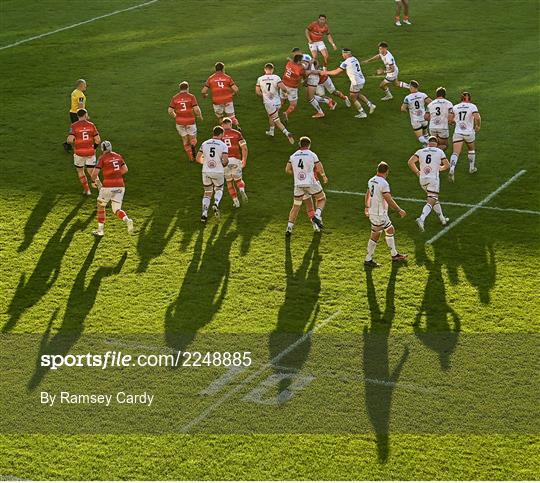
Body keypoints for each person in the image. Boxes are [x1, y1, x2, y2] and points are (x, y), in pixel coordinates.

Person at [364, 162, 407, 267]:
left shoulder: (371, 180)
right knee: (375, 235)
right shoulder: (383, 183)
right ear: (387, 171)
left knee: (390, 229)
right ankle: (368, 259)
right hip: (378, 214)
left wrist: (366, 207)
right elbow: (388, 199)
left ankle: (394, 255)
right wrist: (399, 210)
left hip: (377, 212)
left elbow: (367, 194)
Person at [285, 136, 328, 236]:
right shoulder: (312, 154)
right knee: (322, 198)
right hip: (311, 183)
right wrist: (324, 176)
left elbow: (287, 170)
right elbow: (319, 166)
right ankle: (316, 216)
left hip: (298, 185)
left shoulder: (293, 156)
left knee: (296, 206)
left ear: (300, 145)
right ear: (309, 145)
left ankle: (289, 228)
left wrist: (297, 174)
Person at [90, 141, 134, 237]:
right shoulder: (118, 156)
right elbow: (125, 169)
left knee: (101, 206)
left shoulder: (102, 158)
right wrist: (116, 175)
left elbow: (94, 174)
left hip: (108, 187)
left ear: (102, 149)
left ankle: (100, 231)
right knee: (116, 209)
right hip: (120, 186)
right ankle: (127, 220)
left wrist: (94, 182)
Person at [407, 136, 450, 231]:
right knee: (432, 199)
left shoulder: (420, 151)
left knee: (434, 199)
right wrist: (440, 168)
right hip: (433, 179)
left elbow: (410, 162)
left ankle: (442, 219)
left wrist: (417, 172)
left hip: (422, 179)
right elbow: (447, 165)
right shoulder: (439, 151)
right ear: (437, 144)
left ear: (428, 143)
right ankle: (421, 219)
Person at [326, 48, 375, 118]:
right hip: (361, 80)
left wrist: (325, 72)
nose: (342, 55)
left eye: (343, 53)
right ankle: (371, 105)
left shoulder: (345, 63)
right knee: (357, 94)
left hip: (356, 82)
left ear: (346, 54)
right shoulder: (354, 58)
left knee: (353, 97)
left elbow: (336, 72)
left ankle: (362, 113)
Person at [196, 126, 229, 222]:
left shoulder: (205, 143)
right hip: (218, 171)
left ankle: (204, 214)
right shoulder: (223, 145)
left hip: (206, 171)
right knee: (219, 188)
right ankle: (216, 203)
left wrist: (206, 163)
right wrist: (224, 164)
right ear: (221, 134)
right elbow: (225, 160)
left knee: (207, 192)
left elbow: (198, 158)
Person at [255, 63, 295, 143]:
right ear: (272, 69)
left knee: (276, 120)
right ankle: (271, 131)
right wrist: (286, 93)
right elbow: (283, 88)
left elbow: (257, 92)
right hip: (277, 102)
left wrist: (264, 95)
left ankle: (287, 133)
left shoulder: (260, 79)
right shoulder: (276, 77)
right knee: (271, 116)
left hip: (268, 103)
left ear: (265, 69)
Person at [66, 108, 101, 195]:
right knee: (92, 172)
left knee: (80, 171)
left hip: (79, 153)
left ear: (77, 116)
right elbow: (98, 140)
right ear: (85, 115)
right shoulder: (91, 125)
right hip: (90, 153)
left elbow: (69, 140)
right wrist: (94, 148)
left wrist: (74, 144)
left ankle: (87, 190)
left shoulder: (73, 126)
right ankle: (101, 190)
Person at [449, 92, 481, 181]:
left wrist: (453, 122)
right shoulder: (472, 106)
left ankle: (452, 168)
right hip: (468, 133)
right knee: (471, 149)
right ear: (469, 99)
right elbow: (477, 117)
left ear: (461, 99)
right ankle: (471, 168)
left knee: (455, 153)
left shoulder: (455, 107)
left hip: (458, 132)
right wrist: (478, 126)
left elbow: (450, 120)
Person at [168, 81, 203, 161]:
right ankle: (193, 146)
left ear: (180, 89)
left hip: (179, 122)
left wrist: (176, 116)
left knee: (185, 139)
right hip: (190, 121)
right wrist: (199, 115)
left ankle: (190, 156)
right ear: (187, 88)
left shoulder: (175, 98)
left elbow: (170, 110)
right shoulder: (191, 96)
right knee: (193, 138)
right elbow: (196, 109)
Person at [201, 62, 240, 128]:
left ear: (215, 69)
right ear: (223, 69)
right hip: (228, 100)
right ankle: (237, 128)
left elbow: (203, 91)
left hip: (217, 101)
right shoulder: (227, 77)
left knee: (220, 117)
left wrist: (204, 95)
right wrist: (233, 94)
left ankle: (223, 131)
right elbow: (236, 89)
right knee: (232, 117)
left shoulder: (211, 78)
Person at [221, 117, 248, 207]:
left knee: (229, 182)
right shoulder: (237, 133)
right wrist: (244, 159)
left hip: (225, 161)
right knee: (239, 180)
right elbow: (244, 148)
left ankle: (236, 202)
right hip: (236, 159)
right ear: (230, 124)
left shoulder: (219, 135)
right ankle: (241, 189)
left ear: (222, 125)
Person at [401, 80, 431, 145]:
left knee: (420, 137)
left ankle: (429, 145)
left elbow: (403, 109)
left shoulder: (408, 98)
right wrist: (427, 111)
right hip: (424, 117)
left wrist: (409, 111)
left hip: (415, 120)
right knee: (426, 134)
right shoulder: (423, 95)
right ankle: (427, 146)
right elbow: (431, 103)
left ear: (412, 87)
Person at [63, 79, 87, 152]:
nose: (86, 87)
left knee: (75, 129)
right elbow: (80, 106)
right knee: (78, 130)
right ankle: (70, 144)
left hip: (72, 112)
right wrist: (84, 115)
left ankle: (68, 144)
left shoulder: (74, 92)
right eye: (85, 85)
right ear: (81, 86)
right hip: (77, 114)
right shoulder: (80, 95)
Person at [280, 53, 306, 121]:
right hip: (292, 87)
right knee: (293, 104)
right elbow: (304, 74)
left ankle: (274, 114)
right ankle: (286, 113)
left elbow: (292, 62)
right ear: (299, 61)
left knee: (282, 101)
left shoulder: (289, 63)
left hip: (283, 85)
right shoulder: (300, 68)